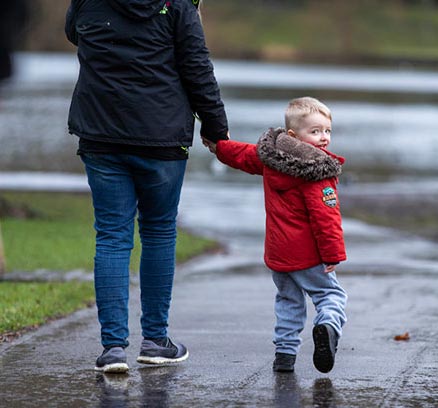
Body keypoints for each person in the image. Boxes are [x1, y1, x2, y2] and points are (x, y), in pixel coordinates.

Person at [65, 0, 228, 373]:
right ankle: (155, 341)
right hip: (161, 137)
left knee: (111, 236)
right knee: (157, 231)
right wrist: (216, 128)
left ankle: (113, 349)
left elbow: (74, 33)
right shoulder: (178, 5)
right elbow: (197, 67)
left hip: (101, 133)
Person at [205, 97, 348, 373]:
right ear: (294, 135)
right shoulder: (318, 170)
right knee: (331, 295)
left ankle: (284, 354)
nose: (324, 138)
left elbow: (244, 155)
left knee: (288, 300)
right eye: (315, 131)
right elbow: (326, 218)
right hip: (309, 254)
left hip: (278, 254)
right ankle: (327, 327)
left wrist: (219, 147)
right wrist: (333, 255)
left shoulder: (272, 159)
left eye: (327, 131)